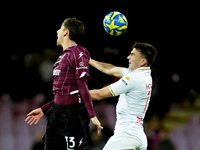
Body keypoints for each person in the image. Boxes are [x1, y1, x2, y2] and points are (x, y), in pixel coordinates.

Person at [25, 18, 103, 150]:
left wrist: (92, 115)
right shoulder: (62, 56)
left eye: (60, 28)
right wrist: (44, 109)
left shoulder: (78, 52)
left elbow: (82, 87)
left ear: (66, 32)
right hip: (56, 114)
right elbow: (62, 91)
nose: (57, 31)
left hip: (73, 116)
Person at [89, 42, 157, 150]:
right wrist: (89, 60)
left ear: (143, 61)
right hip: (137, 136)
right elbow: (110, 69)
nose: (128, 57)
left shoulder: (135, 79)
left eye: (133, 55)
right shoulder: (143, 75)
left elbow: (99, 94)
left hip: (127, 135)